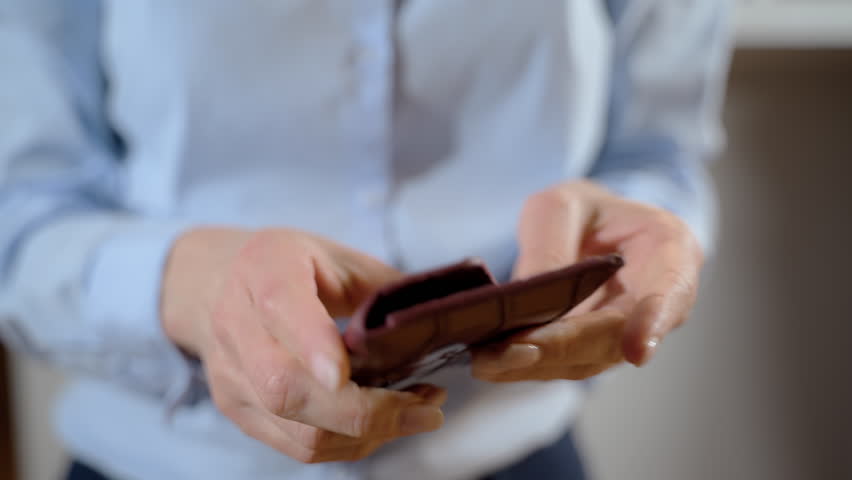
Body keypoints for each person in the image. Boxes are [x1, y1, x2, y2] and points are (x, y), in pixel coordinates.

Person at [0, 1, 732, 479]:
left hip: (515, 453)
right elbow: (19, 216)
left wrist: (650, 240)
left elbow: (657, 155)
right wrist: (186, 284)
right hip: (160, 460)